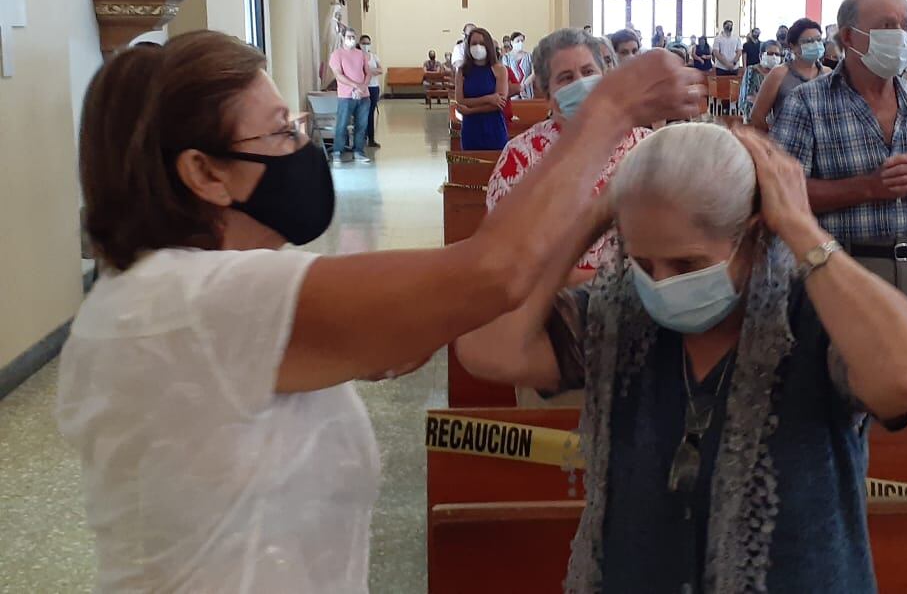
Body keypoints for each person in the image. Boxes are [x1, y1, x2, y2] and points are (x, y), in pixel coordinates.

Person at [58, 31, 704, 593]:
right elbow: (495, 269)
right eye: (282, 131)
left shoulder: (186, 292)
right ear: (204, 172)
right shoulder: (193, 301)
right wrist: (610, 108)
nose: (299, 147)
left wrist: (402, 323)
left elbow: (404, 329)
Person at [456, 122, 907, 593]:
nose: (663, 283)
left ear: (753, 236)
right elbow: (486, 347)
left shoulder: (814, 316)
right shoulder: (623, 314)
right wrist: (593, 217)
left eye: (688, 264)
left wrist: (799, 226)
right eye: (643, 263)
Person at [772, 0, 907, 369]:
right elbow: (782, 195)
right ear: (849, 37)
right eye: (886, 25)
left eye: (906, 26)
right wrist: (867, 187)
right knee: (842, 396)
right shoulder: (808, 103)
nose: (899, 35)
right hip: (844, 269)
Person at [488, 27, 652, 284]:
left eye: (588, 72)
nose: (580, 83)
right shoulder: (521, 157)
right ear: (547, 93)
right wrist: (599, 283)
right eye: (565, 78)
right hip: (554, 306)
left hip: (644, 299)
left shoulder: (643, 146)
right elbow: (508, 255)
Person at [750, 18, 832, 134]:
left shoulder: (828, 74)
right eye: (808, 41)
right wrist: (772, 143)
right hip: (787, 145)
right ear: (793, 46)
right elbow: (757, 115)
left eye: (818, 40)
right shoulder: (779, 74)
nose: (815, 45)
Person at [455, 27, 509, 151]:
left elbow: (499, 104)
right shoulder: (462, 71)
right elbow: (460, 101)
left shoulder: (499, 69)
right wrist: (489, 98)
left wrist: (470, 111)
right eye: (474, 44)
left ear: (488, 45)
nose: (477, 47)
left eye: (481, 43)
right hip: (471, 129)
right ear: (468, 46)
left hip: (494, 127)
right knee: (473, 167)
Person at [329, 25, 371, 163]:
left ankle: (358, 151)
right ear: (343, 38)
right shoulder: (337, 54)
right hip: (346, 96)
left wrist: (363, 87)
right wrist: (355, 86)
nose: (351, 40)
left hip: (363, 96)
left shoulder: (361, 54)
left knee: (361, 125)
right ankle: (337, 152)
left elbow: (368, 72)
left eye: (353, 37)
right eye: (349, 37)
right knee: (342, 124)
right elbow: (338, 75)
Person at [738, 40, 782, 122]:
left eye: (777, 54)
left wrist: (760, 100)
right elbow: (748, 99)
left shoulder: (781, 73)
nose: (774, 57)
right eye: (770, 53)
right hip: (753, 119)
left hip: (777, 122)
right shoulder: (752, 71)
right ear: (761, 55)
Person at [359, 34, 383, 149]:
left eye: (368, 43)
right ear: (359, 44)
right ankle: (361, 137)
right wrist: (369, 71)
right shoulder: (357, 57)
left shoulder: (374, 57)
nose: (366, 45)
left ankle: (371, 139)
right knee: (361, 113)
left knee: (370, 113)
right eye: (363, 43)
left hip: (373, 87)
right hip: (362, 87)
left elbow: (380, 70)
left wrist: (368, 71)